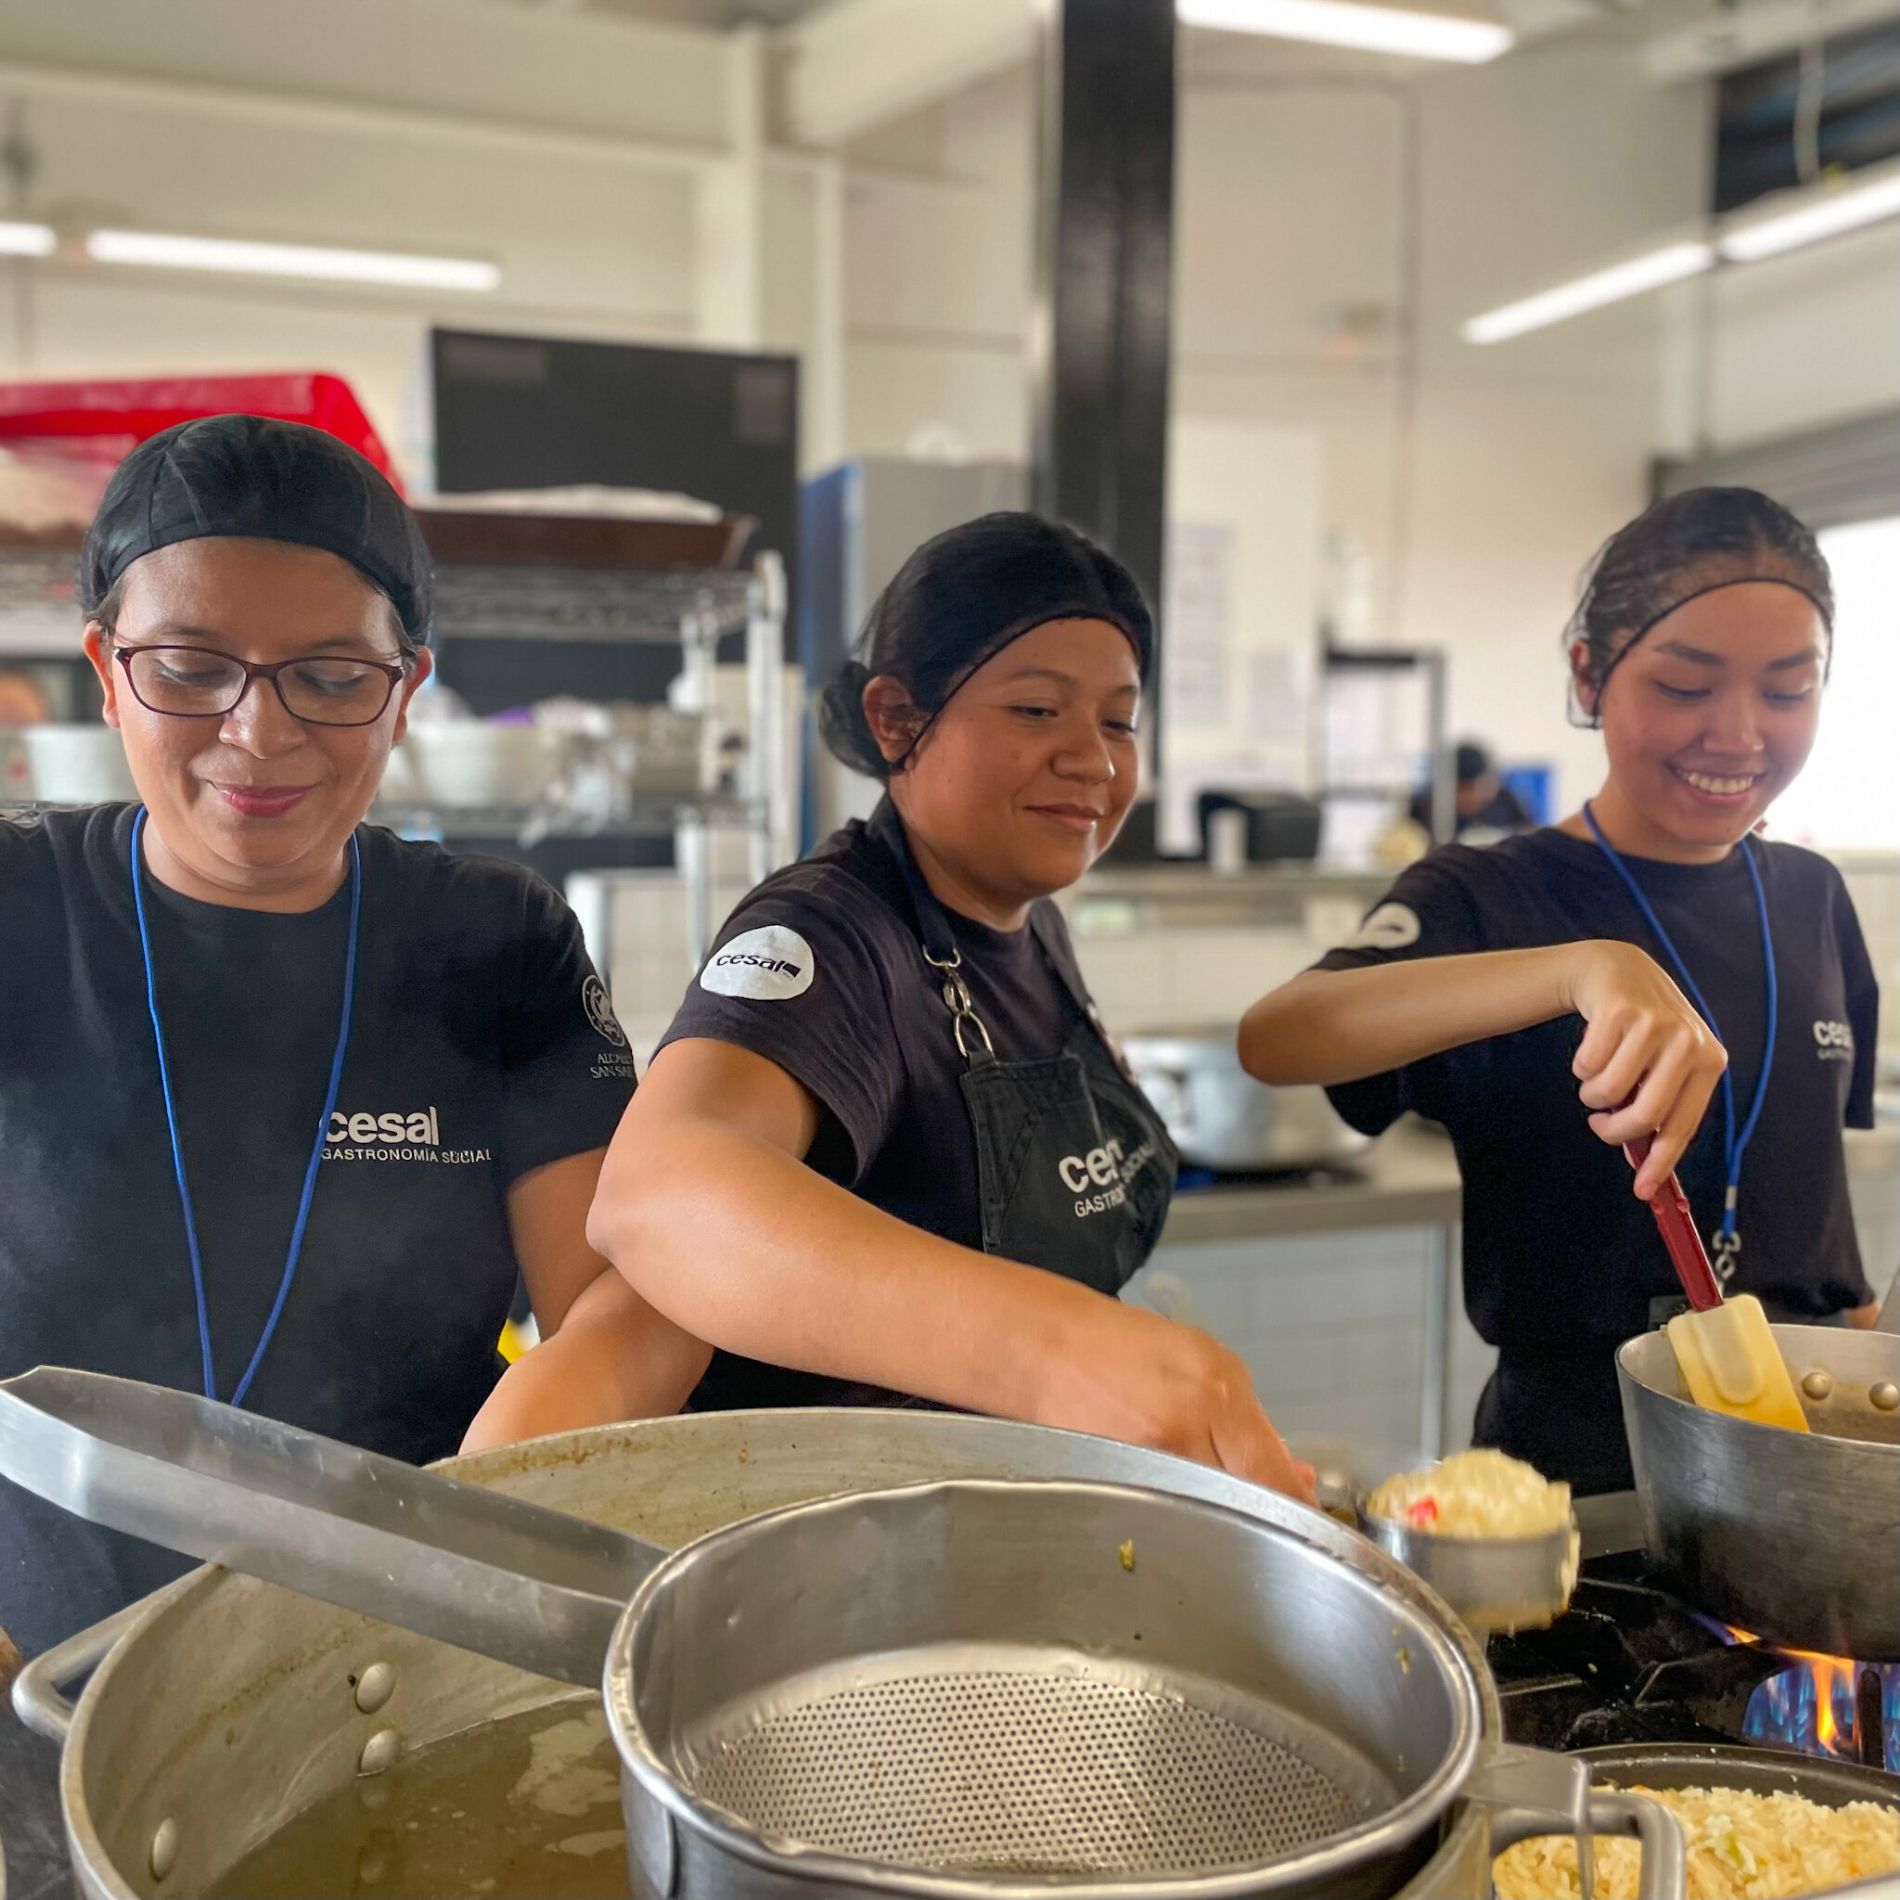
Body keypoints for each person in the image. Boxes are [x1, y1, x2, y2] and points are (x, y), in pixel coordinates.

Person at [0, 416, 709, 1658]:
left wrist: (482, 1519)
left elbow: (623, 1306)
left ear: (408, 691)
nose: (258, 734)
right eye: (188, 668)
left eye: (330, 678)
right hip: (38, 1670)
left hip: (402, 1659)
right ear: (108, 670)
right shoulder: (17, 909)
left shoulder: (498, 942)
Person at [588, 513, 1314, 1500]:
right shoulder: (832, 934)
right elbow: (660, 1193)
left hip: (1004, 1536)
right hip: (839, 1561)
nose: (1094, 761)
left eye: (1117, 719)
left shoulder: (1033, 928)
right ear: (896, 721)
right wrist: (1059, 1353)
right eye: (1035, 711)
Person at [1239, 488, 1880, 1493]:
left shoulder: (1809, 894)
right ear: (1589, 671)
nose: (1738, 733)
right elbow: (1283, 1035)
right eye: (1684, 686)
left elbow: (1812, 1222)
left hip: (1801, 1458)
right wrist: (1576, 967)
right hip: (1580, 1476)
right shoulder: (1488, 892)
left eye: (1787, 690)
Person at [1408, 740, 1533, 841]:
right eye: (1461, 789)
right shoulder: (1426, 808)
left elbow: (1528, 838)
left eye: (1476, 787)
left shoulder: (1506, 802)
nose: (1470, 796)